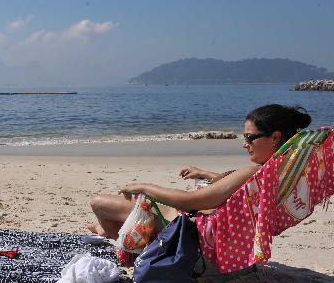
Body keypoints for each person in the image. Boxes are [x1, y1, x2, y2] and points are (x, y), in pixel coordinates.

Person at [88, 104, 312, 268]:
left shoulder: (255, 172)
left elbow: (190, 201)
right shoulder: (277, 173)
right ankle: (109, 230)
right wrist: (206, 174)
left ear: (274, 138)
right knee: (127, 208)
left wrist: (143, 186)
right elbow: (233, 187)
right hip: (213, 230)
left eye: (250, 137)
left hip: (192, 230)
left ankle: (106, 231)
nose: (245, 144)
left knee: (99, 203)